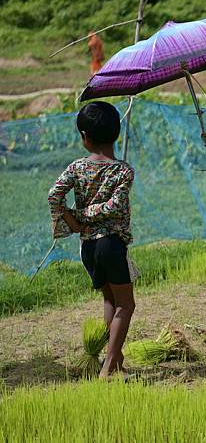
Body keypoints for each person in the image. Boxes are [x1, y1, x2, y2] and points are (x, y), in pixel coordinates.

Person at [48, 101, 136, 379]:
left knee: (110, 301)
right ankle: (109, 367)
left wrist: (73, 222)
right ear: (117, 133)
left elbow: (54, 195)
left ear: (85, 137)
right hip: (111, 244)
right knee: (126, 304)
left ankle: (115, 361)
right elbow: (114, 207)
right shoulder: (123, 171)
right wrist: (84, 216)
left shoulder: (76, 168)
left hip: (88, 247)